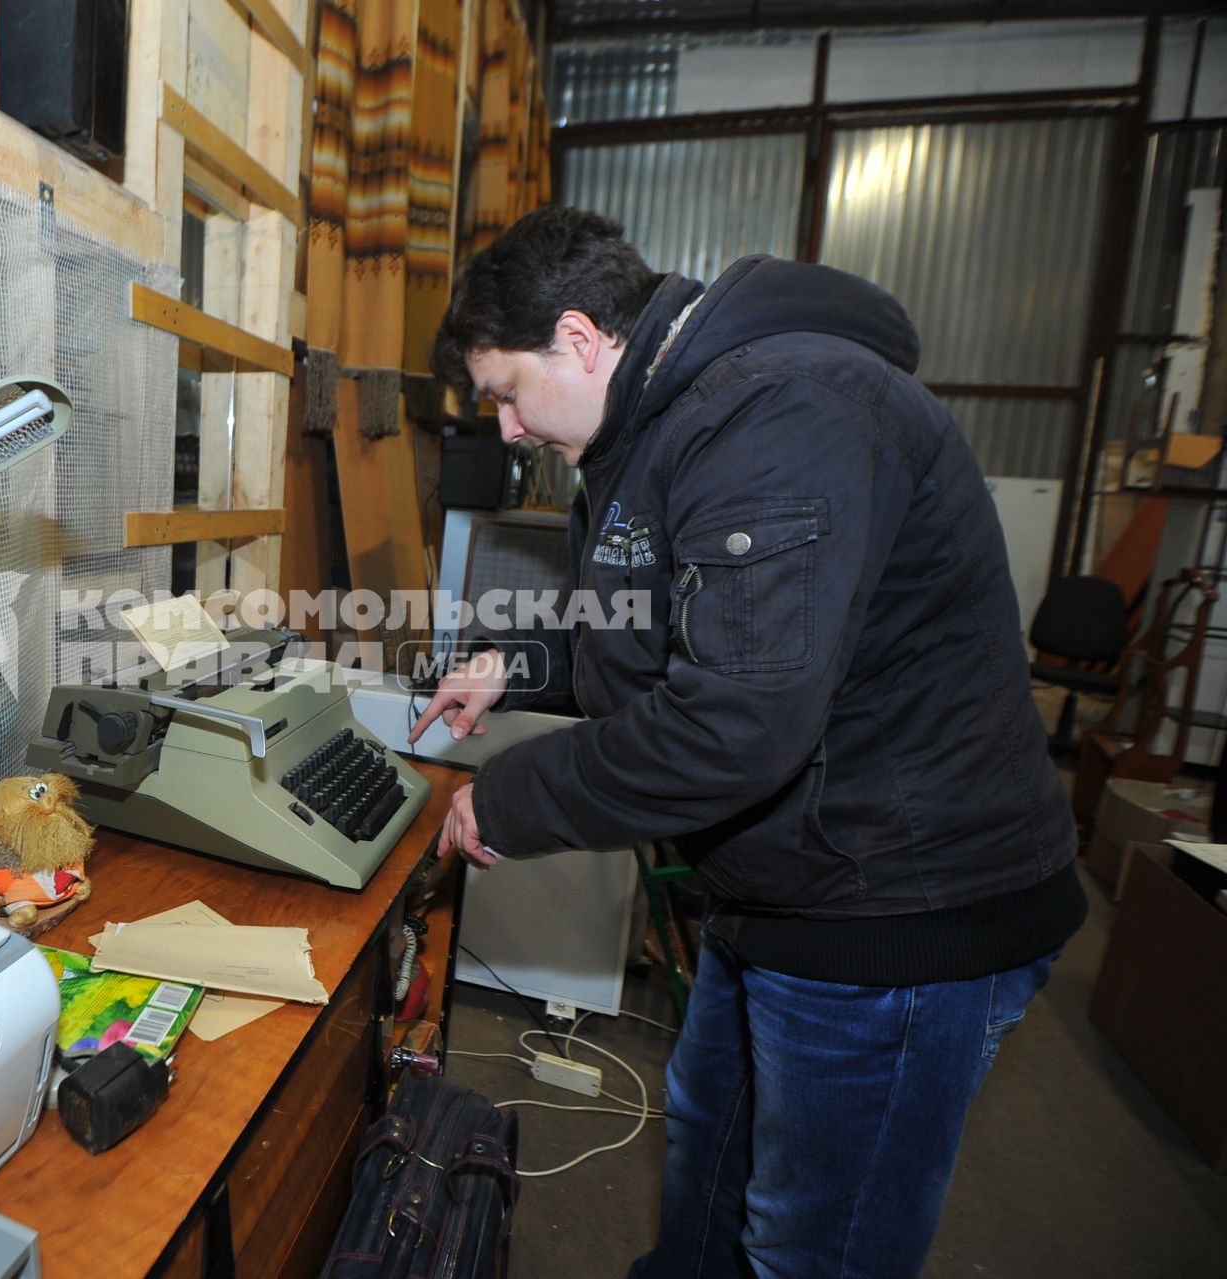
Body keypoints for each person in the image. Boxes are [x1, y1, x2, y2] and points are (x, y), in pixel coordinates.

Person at [409, 206, 1085, 1278]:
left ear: (580, 340)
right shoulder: (650, 428)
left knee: (813, 1243)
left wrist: (513, 795)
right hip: (779, 892)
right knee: (711, 1181)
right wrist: (518, 665)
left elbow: (733, 720)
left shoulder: (782, 411)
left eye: (505, 393)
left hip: (895, 912)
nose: (506, 429)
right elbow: (656, 625)